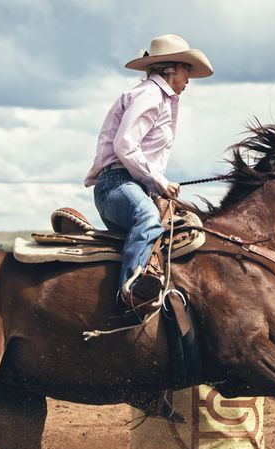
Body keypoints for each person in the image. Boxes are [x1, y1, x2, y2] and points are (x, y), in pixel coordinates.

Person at [85, 34, 213, 310]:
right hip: (117, 183)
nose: (189, 76)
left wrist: (156, 185)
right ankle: (130, 293)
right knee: (148, 218)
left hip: (128, 184)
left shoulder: (157, 97)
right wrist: (158, 181)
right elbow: (125, 145)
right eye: (187, 68)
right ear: (173, 67)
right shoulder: (151, 95)